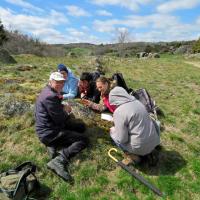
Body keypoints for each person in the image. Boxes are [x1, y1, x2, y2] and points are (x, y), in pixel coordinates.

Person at [35, 72, 88, 182]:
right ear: (51, 81)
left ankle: (53, 144)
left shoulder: (48, 90)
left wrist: (61, 106)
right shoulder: (50, 96)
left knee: (81, 127)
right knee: (83, 140)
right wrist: (67, 111)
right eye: (57, 82)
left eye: (62, 82)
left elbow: (54, 109)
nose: (60, 84)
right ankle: (59, 159)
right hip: (49, 132)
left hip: (49, 127)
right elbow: (60, 119)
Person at [109, 86, 160, 165]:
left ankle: (133, 156)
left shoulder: (119, 111)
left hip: (139, 147)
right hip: (154, 141)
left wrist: (115, 129)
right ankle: (150, 152)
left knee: (112, 131)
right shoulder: (137, 102)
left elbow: (122, 139)